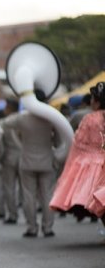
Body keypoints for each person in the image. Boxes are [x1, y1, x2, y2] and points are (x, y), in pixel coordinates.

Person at [3, 89, 58, 237]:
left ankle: (32, 227)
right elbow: (58, 139)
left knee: (29, 196)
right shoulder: (51, 118)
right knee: (47, 195)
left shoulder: (22, 118)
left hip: (27, 161)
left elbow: (6, 123)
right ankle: (48, 228)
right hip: (47, 160)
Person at [51, 82, 105, 222]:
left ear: (97, 102)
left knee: (97, 201)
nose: (91, 102)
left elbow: (79, 142)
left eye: (93, 99)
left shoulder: (89, 118)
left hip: (92, 163)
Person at [0, 99, 22, 224]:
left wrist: (0, 157)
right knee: (28, 189)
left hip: (9, 157)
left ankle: (13, 214)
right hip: (25, 156)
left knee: (9, 187)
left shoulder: (4, 123)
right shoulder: (24, 119)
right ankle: (34, 220)